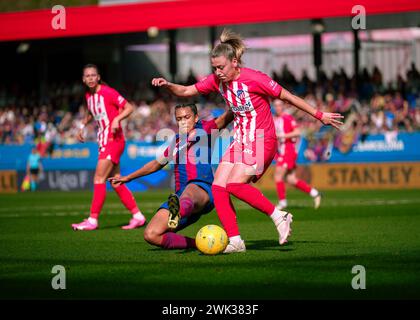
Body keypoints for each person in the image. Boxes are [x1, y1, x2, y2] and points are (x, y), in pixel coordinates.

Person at [151, 29, 343, 253]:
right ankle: (235, 240)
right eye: (214, 68)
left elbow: (288, 97)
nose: (218, 72)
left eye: (221, 67)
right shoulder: (217, 81)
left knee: (234, 184)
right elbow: (186, 90)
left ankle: (279, 215)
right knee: (219, 187)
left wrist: (320, 116)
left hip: (262, 139)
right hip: (239, 140)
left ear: (234, 62)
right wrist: (168, 84)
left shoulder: (255, 78)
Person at [109, 103, 234, 250]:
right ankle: (198, 243)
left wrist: (238, 96)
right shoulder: (176, 141)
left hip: (202, 188)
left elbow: (226, 117)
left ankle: (179, 211)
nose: (183, 121)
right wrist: (128, 178)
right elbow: (157, 164)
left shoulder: (205, 128)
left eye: (187, 117)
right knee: (151, 234)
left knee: (189, 191)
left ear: (195, 118)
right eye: (179, 118)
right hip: (180, 196)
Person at [71, 64, 146, 231]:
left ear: (98, 77)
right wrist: (82, 126)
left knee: (99, 178)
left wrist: (117, 119)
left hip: (113, 140)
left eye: (93, 75)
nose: (90, 78)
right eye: (87, 76)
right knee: (115, 181)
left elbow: (129, 107)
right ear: (84, 79)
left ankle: (92, 220)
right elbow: (91, 112)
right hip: (104, 140)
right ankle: (138, 216)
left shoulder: (107, 92)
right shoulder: (89, 96)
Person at [272, 98, 321, 210]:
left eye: (279, 105)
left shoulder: (287, 118)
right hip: (282, 151)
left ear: (283, 106)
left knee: (278, 175)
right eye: (275, 106)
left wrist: (282, 136)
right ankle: (315, 193)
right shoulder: (276, 119)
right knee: (291, 179)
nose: (277, 108)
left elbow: (297, 132)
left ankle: (283, 202)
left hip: (288, 150)